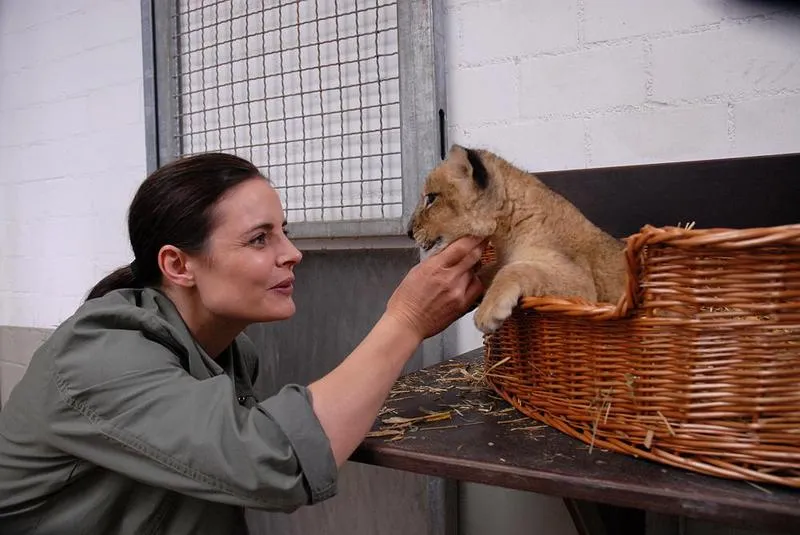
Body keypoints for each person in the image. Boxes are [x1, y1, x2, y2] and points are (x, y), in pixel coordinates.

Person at [0, 152, 485, 535]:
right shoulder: (100, 356)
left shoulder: (230, 352)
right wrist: (407, 319)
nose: (292, 254)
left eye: (285, 233)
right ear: (178, 266)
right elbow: (276, 462)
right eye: (259, 239)